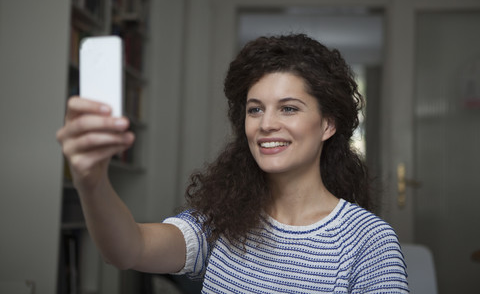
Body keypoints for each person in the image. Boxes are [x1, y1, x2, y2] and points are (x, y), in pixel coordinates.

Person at [57, 33, 409, 293]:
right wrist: (92, 182)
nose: (266, 123)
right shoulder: (222, 222)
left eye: (288, 108)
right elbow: (128, 249)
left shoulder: (369, 241)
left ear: (328, 125)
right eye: (255, 109)